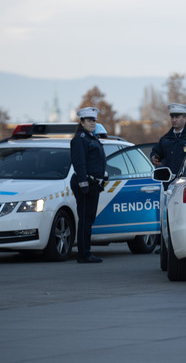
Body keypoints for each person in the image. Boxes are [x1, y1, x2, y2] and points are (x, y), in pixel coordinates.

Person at [70, 107, 106, 263]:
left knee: (89, 218)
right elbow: (79, 163)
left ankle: (86, 251)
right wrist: (83, 183)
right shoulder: (79, 139)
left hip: (93, 184)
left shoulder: (92, 138)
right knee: (84, 219)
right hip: (84, 184)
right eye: (89, 120)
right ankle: (83, 254)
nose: (92, 123)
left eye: (94, 120)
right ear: (82, 122)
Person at [150, 103, 186, 174]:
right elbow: (156, 152)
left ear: (185, 118)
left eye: (177, 117)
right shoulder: (165, 138)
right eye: (172, 117)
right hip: (169, 181)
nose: (174, 120)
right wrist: (154, 158)